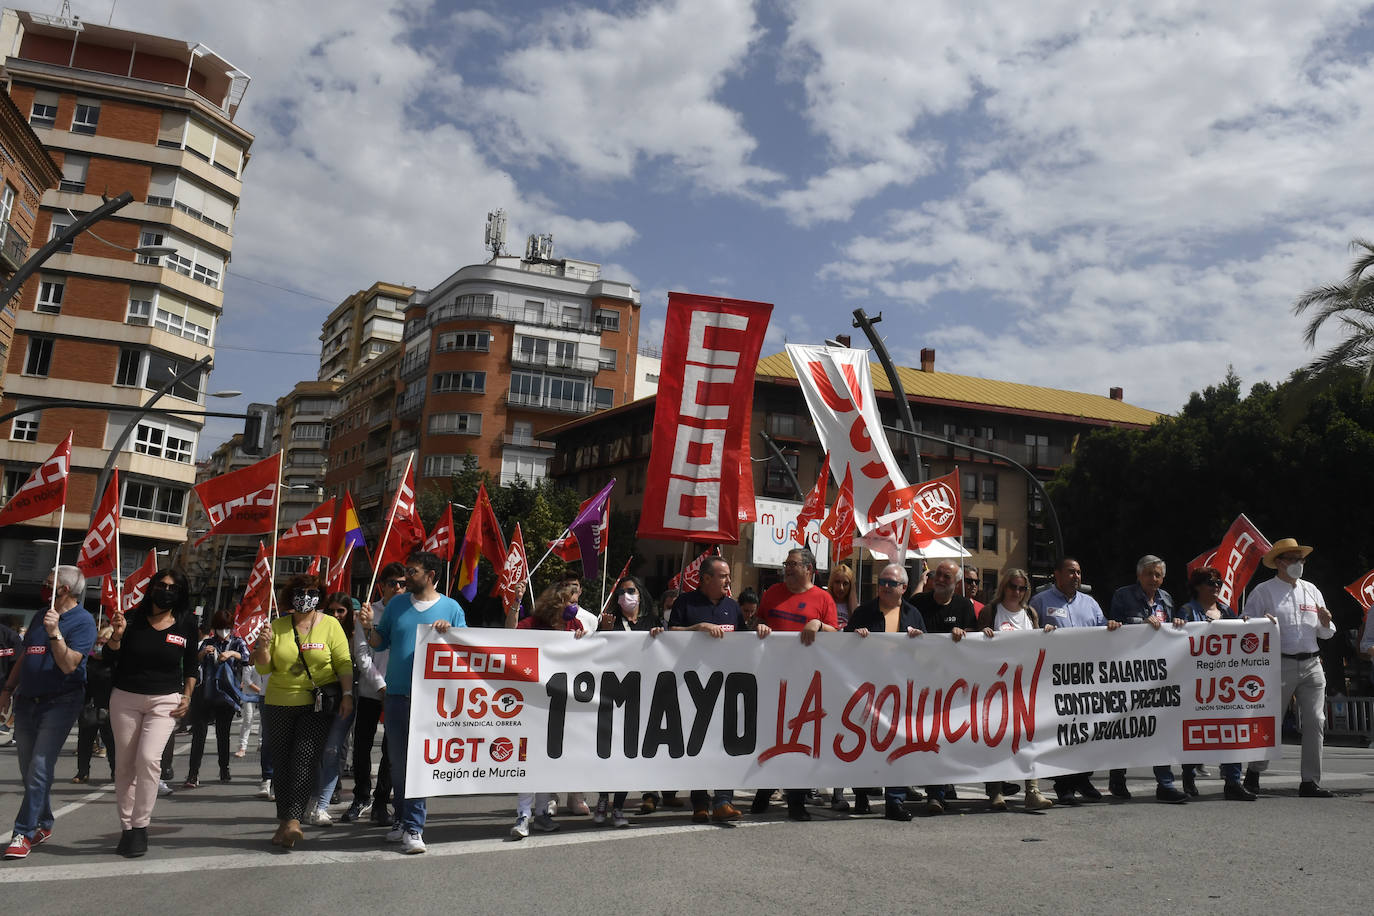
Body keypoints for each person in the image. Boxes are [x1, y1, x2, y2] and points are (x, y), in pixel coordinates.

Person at [359, 551, 464, 853]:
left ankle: (414, 827)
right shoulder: (397, 606)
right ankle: (403, 820)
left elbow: (465, 651)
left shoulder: (452, 608)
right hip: (397, 696)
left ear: (431, 575)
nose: (406, 578)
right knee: (399, 763)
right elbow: (381, 642)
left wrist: (450, 633)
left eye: (412, 571)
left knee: (418, 763)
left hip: (431, 699)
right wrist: (368, 627)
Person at [102, 567, 199, 858]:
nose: (166, 591)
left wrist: (187, 695)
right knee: (125, 766)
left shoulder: (186, 623)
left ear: (180, 594)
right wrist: (116, 636)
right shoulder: (130, 618)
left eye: (173, 588)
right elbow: (109, 658)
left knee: (148, 759)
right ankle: (127, 828)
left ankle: (141, 825)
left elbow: (192, 665)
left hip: (165, 700)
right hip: (125, 698)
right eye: (161, 585)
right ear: (152, 587)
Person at [2, 566, 98, 861]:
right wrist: (7, 689)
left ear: (64, 589)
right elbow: (24, 657)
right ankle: (44, 821)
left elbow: (70, 665)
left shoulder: (83, 622)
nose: (44, 587)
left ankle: (23, 832)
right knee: (27, 768)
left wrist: (55, 632)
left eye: (48, 583)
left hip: (60, 702)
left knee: (40, 767)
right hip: (26, 701)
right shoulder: (38, 617)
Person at [252, 574, 354, 849]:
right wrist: (262, 647)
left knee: (304, 761)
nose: (305, 596)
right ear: (290, 595)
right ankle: (285, 823)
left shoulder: (330, 625)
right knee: (282, 764)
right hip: (279, 703)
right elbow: (263, 668)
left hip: (316, 704)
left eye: (311, 591)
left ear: (320, 595)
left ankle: (294, 820)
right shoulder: (278, 626)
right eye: (300, 591)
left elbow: (343, 662)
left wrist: (347, 694)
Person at [665, 557, 769, 824]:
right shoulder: (685, 603)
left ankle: (724, 800)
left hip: (726, 688)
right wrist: (696, 628)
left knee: (726, 743)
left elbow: (744, 640)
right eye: (723, 576)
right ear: (706, 578)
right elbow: (671, 633)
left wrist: (759, 629)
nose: (728, 581)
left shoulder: (732, 607)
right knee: (699, 744)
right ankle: (700, 803)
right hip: (693, 687)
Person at [1242, 538, 1336, 798]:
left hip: (1312, 663)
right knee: (1270, 720)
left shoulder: (1312, 590)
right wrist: (1260, 622)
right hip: (1279, 663)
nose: (1299, 564)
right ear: (1279, 563)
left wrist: (1327, 623)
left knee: (1316, 721)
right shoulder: (1264, 591)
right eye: (1294, 559)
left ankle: (1310, 782)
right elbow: (1245, 624)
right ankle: (1254, 772)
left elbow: (1325, 633)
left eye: (1301, 559)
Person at [1030, 556, 1120, 804]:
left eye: (1079, 572)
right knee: (1062, 731)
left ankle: (1082, 778)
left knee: (1085, 730)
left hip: (1086, 680)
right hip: (1055, 679)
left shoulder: (1090, 603)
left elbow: (1102, 629)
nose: (1076, 577)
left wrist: (1110, 625)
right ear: (1056, 575)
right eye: (1070, 572)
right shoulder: (1040, 601)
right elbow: (1029, 636)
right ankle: (1064, 784)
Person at [754, 547, 835, 821]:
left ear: (809, 569)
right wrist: (761, 626)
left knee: (799, 739)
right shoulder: (772, 593)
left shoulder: (823, 599)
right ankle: (764, 790)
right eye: (786, 563)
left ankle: (797, 800)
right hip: (772, 676)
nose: (787, 568)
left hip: (805, 681)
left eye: (793, 564)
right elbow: (759, 619)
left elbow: (837, 635)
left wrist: (818, 625)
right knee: (768, 735)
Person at [510, 580, 595, 838]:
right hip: (533, 701)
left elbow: (585, 656)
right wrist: (515, 604)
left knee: (547, 758)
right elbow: (509, 634)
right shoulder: (534, 624)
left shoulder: (574, 625)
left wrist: (582, 641)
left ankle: (542, 814)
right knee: (528, 758)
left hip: (560, 703)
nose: (574, 607)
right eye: (570, 602)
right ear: (557, 603)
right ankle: (523, 814)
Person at [845, 562, 925, 820]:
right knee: (863, 741)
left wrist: (918, 639)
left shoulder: (913, 614)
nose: (885, 587)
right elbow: (842, 647)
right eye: (882, 582)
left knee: (897, 744)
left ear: (904, 587)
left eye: (891, 583)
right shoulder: (863, 612)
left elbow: (927, 652)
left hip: (900, 689)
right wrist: (854, 637)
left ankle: (895, 800)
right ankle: (860, 794)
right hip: (867, 687)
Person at [1105, 555, 1185, 803]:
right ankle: (1117, 780)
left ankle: (1165, 783)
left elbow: (1171, 631)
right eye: (1149, 574)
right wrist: (1141, 624)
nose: (1153, 579)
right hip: (1128, 673)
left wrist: (1178, 624)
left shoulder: (1167, 599)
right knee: (1125, 727)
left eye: (1158, 575)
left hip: (1159, 675)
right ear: (1139, 575)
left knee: (1161, 726)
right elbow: (1113, 628)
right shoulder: (1123, 596)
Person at [976, 569, 1055, 812]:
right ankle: (996, 790)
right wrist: (983, 636)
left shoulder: (1029, 613)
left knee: (1029, 736)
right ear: (1004, 587)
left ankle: (1033, 789)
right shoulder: (991, 612)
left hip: (1025, 685)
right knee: (998, 737)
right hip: (997, 685)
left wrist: (1046, 634)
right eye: (1013, 586)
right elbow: (975, 648)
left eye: (1022, 588)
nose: (1017, 592)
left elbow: (1036, 643)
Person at [1174, 566, 1253, 801]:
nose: (1216, 587)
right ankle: (1188, 775)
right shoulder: (1187, 611)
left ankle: (1232, 781)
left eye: (1219, 583)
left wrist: (1247, 623)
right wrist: (1178, 625)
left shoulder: (1228, 612)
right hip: (1196, 683)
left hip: (1225, 683)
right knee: (1195, 729)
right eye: (1210, 582)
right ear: (1197, 586)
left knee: (1231, 728)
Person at [911, 558, 979, 814]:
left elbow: (974, 638)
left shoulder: (964, 606)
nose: (939, 579)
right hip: (920, 683)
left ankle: (937, 793)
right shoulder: (918, 603)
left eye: (946, 577)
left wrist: (966, 633)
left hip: (952, 685)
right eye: (937, 574)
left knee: (942, 739)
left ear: (956, 582)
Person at [593, 575, 655, 827]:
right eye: (621, 592)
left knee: (629, 753)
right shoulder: (609, 622)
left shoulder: (651, 622)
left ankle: (618, 807)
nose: (625, 596)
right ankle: (602, 798)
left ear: (640, 594)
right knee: (607, 752)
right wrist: (603, 633)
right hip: (610, 695)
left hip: (638, 696)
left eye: (630, 591)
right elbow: (594, 653)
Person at [348, 563, 401, 826]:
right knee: (362, 746)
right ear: (383, 585)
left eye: (404, 583)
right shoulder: (370, 613)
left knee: (391, 749)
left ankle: (381, 801)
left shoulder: (409, 612)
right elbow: (362, 655)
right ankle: (360, 796)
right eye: (393, 583)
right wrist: (381, 686)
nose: (399, 588)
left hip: (399, 692)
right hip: (372, 690)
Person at [309, 593, 361, 826]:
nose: (336, 616)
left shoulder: (357, 635)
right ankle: (310, 802)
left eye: (341, 611)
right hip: (319, 699)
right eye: (331, 611)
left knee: (334, 750)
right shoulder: (316, 631)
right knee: (314, 752)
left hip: (347, 699)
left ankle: (322, 804)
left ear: (349, 612)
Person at [184, 611, 248, 788]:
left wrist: (232, 654)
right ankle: (192, 774)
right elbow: (193, 661)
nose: (223, 631)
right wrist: (203, 653)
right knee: (199, 734)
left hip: (226, 695)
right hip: (205, 693)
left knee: (223, 734)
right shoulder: (207, 642)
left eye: (227, 627)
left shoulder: (236, 641)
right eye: (220, 628)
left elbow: (247, 658)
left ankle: (224, 768)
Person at [73, 621, 116, 784]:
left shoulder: (115, 663)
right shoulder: (88, 661)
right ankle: (82, 771)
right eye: (97, 642)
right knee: (85, 740)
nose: (98, 646)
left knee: (112, 743)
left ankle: (115, 771)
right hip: (90, 705)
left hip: (110, 706)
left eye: (103, 643)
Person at [828, 561, 855, 630]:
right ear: (832, 584)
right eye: (837, 582)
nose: (841, 588)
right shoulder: (822, 605)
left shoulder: (857, 610)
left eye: (845, 583)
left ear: (850, 586)